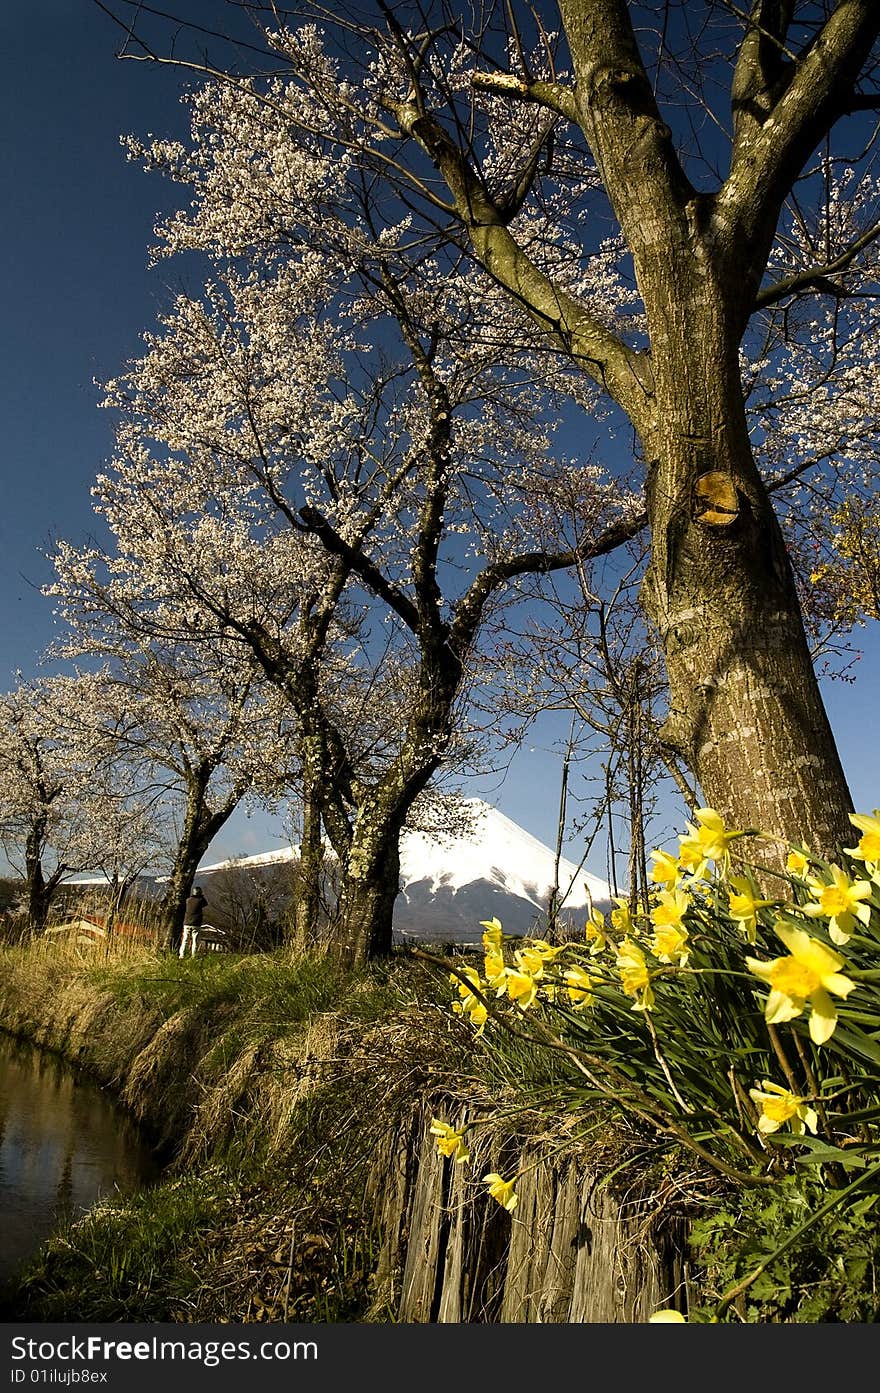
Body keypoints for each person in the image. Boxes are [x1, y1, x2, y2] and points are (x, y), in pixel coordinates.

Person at [180, 885, 208, 958]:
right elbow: (206, 903)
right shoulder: (201, 900)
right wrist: (202, 896)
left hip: (186, 923)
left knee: (185, 939)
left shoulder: (188, 900)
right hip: (196, 923)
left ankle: (182, 955)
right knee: (195, 941)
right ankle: (194, 956)